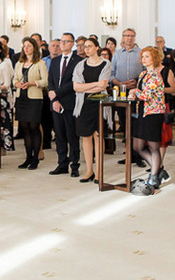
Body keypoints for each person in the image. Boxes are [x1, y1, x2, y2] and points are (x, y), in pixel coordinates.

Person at [129, 46, 171, 187]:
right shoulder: (143, 74)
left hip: (153, 114)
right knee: (137, 146)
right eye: (143, 56)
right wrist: (134, 93)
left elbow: (146, 95)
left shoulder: (155, 75)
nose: (144, 59)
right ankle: (158, 169)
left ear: (154, 58)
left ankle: (154, 176)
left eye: (147, 56)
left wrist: (134, 91)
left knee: (153, 147)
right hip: (142, 112)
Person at [72, 37, 111, 183]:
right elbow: (76, 87)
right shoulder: (80, 65)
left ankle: (99, 171)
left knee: (98, 136)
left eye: (89, 46)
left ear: (97, 47)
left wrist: (86, 87)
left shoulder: (106, 64)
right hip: (84, 104)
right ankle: (89, 170)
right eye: (84, 46)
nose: (86, 49)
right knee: (86, 137)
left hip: (99, 104)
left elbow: (103, 86)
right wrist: (95, 85)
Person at [48, 33, 82, 177]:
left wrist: (56, 94)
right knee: (59, 135)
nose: (62, 44)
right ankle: (62, 164)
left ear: (72, 44)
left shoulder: (79, 61)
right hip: (56, 104)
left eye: (66, 41)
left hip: (70, 102)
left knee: (72, 136)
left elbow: (74, 83)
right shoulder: (55, 61)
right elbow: (51, 81)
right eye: (61, 41)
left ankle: (74, 165)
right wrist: (54, 99)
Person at [13, 37, 49, 170]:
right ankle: (28, 157)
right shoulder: (19, 63)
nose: (26, 48)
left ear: (34, 47)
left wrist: (32, 83)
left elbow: (45, 81)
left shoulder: (40, 63)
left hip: (34, 98)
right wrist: (17, 84)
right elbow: (14, 80)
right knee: (25, 128)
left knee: (34, 127)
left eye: (29, 46)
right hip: (21, 97)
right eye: (24, 46)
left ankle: (35, 158)